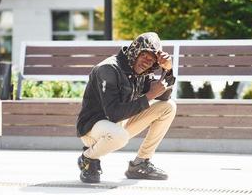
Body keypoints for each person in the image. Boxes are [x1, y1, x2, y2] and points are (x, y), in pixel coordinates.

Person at [76, 32, 177, 183]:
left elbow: (163, 96)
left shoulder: (142, 71)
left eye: (151, 60)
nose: (146, 61)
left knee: (168, 107)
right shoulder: (108, 69)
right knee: (120, 136)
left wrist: (167, 70)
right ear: (135, 51)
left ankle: (140, 163)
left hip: (118, 126)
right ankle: (89, 158)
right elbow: (113, 114)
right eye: (144, 55)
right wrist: (149, 96)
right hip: (93, 128)